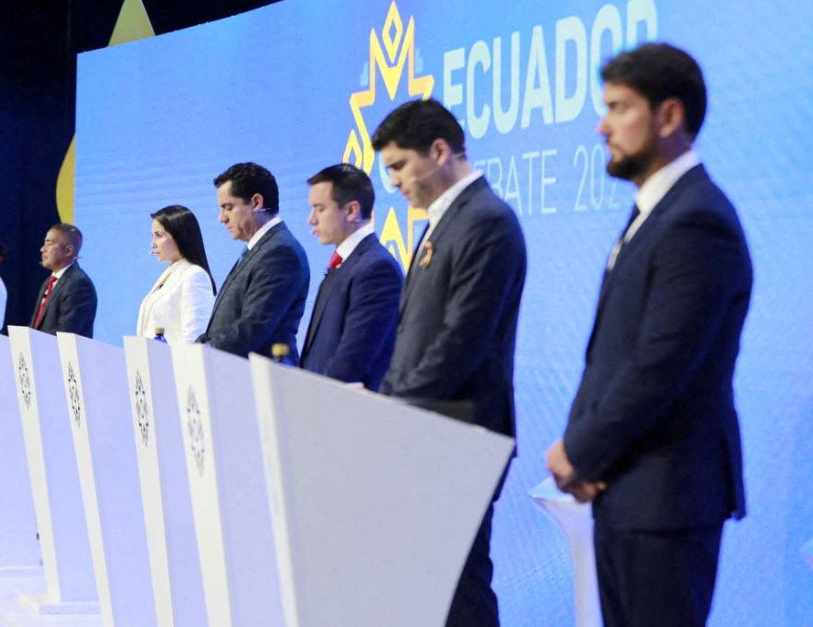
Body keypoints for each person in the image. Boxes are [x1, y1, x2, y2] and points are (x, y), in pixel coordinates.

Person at [545, 43, 752, 627]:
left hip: (668, 497)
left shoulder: (698, 220)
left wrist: (579, 451)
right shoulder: (654, 213)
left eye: (619, 107)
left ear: (669, 116)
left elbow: (659, 367)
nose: (601, 125)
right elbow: (613, 355)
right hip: (630, 490)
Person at [373, 99, 527, 627]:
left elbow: (461, 341)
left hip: (461, 430)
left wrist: (390, 406)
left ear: (438, 151)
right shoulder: (446, 221)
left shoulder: (486, 222)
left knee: (459, 591)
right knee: (431, 590)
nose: (393, 183)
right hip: (430, 426)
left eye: (397, 166)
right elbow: (413, 337)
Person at [299, 164, 402, 391]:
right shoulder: (346, 261)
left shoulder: (376, 267)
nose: (311, 219)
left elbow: (353, 358)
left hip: (345, 411)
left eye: (320, 209)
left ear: (351, 211)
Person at [197, 162, 310, 360]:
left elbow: (253, 327)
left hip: (262, 380)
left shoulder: (280, 252)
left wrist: (201, 352)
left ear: (256, 203)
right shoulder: (262, 247)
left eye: (228, 208)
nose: (221, 218)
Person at [136, 205, 217, 344]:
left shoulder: (194, 275)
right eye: (152, 236)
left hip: (176, 364)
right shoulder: (170, 273)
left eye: (159, 235)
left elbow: (194, 338)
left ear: (180, 235)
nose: (152, 244)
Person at [30, 223, 97, 338]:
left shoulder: (79, 284)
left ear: (68, 251)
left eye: (49, 243)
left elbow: (65, 333)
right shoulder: (49, 281)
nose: (42, 249)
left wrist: (32, 341)